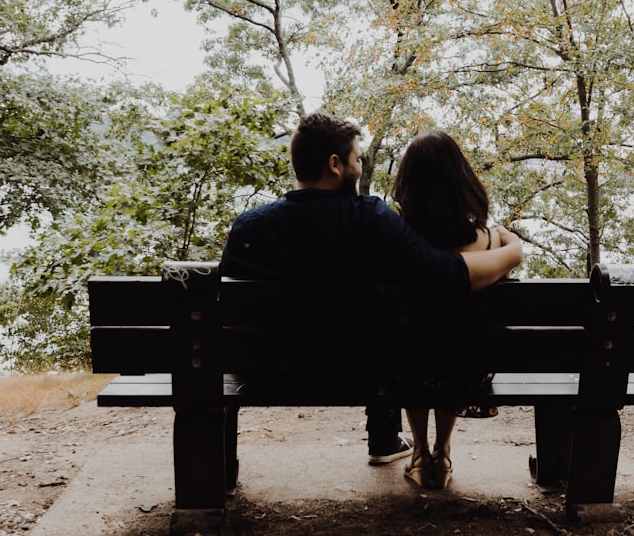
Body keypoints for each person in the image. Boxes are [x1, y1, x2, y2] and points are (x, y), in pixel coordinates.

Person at [219, 112, 523, 467]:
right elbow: (448, 275)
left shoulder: (248, 229)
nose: (359, 166)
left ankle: (218, 471)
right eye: (356, 159)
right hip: (355, 374)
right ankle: (386, 439)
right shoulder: (369, 220)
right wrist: (512, 251)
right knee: (395, 342)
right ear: (335, 165)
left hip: (260, 372)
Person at [389, 129, 506, 489]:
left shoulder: (397, 241)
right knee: (454, 351)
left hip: (406, 368)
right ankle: (443, 452)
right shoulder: (489, 241)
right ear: (462, 180)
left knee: (412, 353)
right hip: (468, 369)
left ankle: (420, 453)